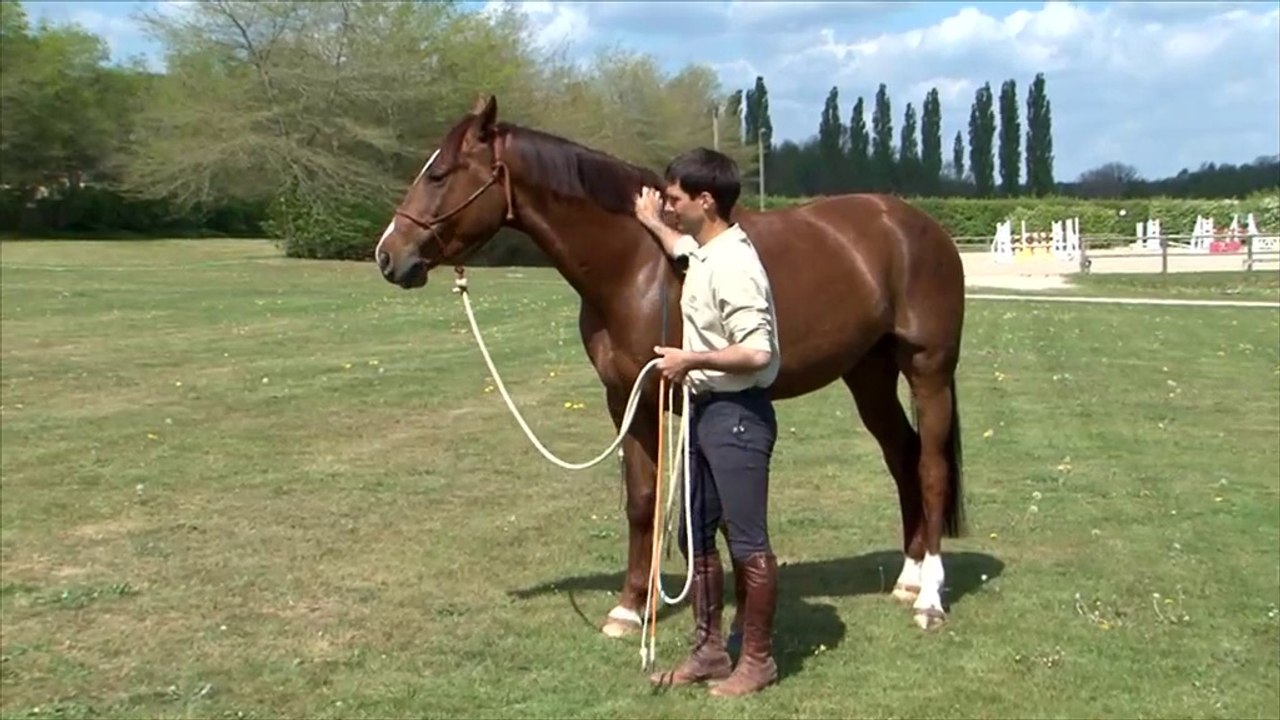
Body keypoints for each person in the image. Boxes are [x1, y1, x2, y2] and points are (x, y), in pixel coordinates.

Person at [632, 147, 782, 698]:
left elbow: (757, 351)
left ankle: (758, 660)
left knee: (748, 543)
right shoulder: (708, 251)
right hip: (704, 412)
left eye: (673, 199)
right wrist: (650, 222)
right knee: (694, 537)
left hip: (736, 417)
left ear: (705, 200)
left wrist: (689, 360)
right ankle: (710, 652)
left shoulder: (737, 265)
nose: (668, 207)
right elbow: (684, 250)